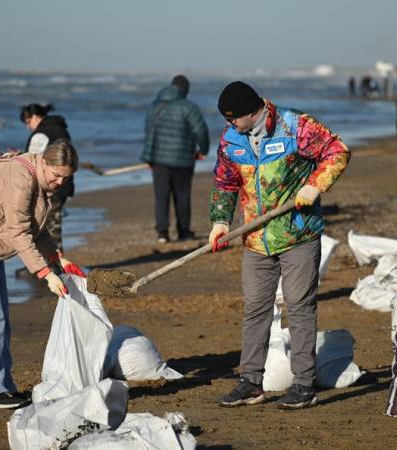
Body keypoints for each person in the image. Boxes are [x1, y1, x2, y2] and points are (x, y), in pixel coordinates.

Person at [209, 81, 349, 409]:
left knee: (300, 308)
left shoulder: (294, 125)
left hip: (297, 233)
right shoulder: (231, 138)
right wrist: (220, 221)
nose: (229, 126)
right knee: (256, 309)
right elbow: (225, 181)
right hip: (256, 239)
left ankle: (303, 384)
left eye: (233, 119)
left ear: (252, 111)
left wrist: (315, 186)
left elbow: (337, 151)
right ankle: (251, 382)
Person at [0, 139, 86, 409]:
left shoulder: (43, 183)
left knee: (0, 315)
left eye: (65, 178)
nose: (59, 182)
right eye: (56, 175)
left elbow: (37, 229)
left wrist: (58, 257)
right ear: (44, 161)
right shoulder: (21, 175)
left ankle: (3, 386)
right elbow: (18, 231)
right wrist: (46, 274)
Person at [141, 75, 209, 243]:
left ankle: (162, 233)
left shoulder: (155, 105)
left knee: (161, 196)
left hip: (158, 159)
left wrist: (149, 157)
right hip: (183, 159)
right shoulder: (189, 107)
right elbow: (201, 131)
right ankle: (183, 231)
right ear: (185, 90)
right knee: (182, 195)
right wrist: (203, 150)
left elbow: (148, 131)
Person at [20, 103, 74, 251]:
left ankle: (52, 268)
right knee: (52, 229)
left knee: (45, 230)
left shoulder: (41, 134)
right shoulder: (60, 129)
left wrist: (17, 158)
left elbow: (32, 160)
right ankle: (54, 266)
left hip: (50, 186)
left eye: (28, 122)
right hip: (64, 183)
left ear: (35, 117)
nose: (28, 127)